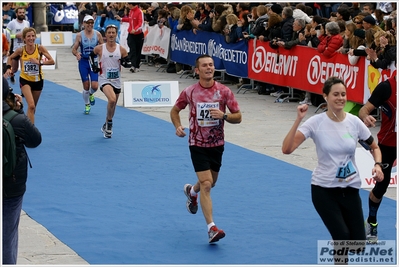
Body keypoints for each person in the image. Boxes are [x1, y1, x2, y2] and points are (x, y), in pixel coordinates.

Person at [282, 77, 383, 263]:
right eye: (335, 94)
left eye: (343, 94)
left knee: (359, 245)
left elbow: (374, 147)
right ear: (325, 96)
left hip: (350, 189)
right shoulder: (315, 123)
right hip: (323, 189)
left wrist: (377, 165)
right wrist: (298, 119)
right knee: (342, 237)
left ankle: (340, 237)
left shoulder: (354, 122)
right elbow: (287, 149)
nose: (340, 98)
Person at [170, 55, 242, 243]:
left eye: (211, 65)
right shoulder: (190, 92)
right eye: (204, 65)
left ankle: (192, 192)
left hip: (217, 144)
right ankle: (211, 228)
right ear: (197, 70)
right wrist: (177, 126)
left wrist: (223, 116)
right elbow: (175, 110)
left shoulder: (224, 92)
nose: (209, 68)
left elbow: (239, 116)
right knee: (207, 184)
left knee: (210, 183)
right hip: (197, 144)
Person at [2, 77, 42, 264]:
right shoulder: (16, 119)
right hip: (11, 185)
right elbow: (35, 140)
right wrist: (18, 111)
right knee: (7, 235)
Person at [359, 74, 397, 243]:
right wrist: (366, 117)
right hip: (389, 144)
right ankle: (372, 221)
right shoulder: (386, 87)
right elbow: (363, 110)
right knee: (381, 186)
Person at [5, 27, 54, 124]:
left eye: (33, 36)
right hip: (25, 80)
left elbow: (52, 61)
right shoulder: (21, 50)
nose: (31, 38)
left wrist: (39, 62)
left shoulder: (40, 48)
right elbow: (10, 57)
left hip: (38, 81)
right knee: (31, 106)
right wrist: (9, 68)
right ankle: (31, 131)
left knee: (33, 109)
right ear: (24, 38)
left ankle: (26, 125)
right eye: (28, 36)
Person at [90, 24, 128, 138]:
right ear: (105, 35)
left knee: (113, 106)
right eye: (109, 33)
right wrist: (94, 67)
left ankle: (107, 123)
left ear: (116, 34)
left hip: (116, 80)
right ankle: (110, 124)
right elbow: (91, 56)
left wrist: (127, 63)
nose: (111, 35)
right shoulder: (100, 48)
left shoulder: (121, 49)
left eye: (113, 33)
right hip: (104, 79)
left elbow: (127, 60)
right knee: (111, 100)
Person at [71, 15, 104, 115]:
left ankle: (90, 94)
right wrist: (77, 54)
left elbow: (103, 48)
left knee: (94, 86)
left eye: (91, 23)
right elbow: (74, 48)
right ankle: (87, 104)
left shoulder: (97, 34)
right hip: (84, 62)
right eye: (88, 23)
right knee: (86, 85)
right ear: (84, 24)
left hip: (93, 61)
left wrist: (102, 59)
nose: (90, 25)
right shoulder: (80, 35)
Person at [6, 7, 30, 84]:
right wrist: (15, 36)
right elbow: (6, 34)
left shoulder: (27, 23)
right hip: (15, 48)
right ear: (16, 14)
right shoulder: (12, 23)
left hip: (24, 49)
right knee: (14, 69)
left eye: (23, 13)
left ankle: (24, 86)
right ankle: (12, 75)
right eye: (20, 13)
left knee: (24, 69)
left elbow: (29, 34)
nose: (22, 14)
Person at [121, 2, 144, 73]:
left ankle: (137, 65)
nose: (127, 5)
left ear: (132, 4)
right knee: (132, 49)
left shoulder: (139, 12)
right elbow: (130, 19)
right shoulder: (131, 11)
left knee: (138, 50)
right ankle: (133, 65)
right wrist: (122, 19)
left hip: (138, 34)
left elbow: (141, 23)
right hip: (131, 34)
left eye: (128, 4)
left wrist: (136, 29)